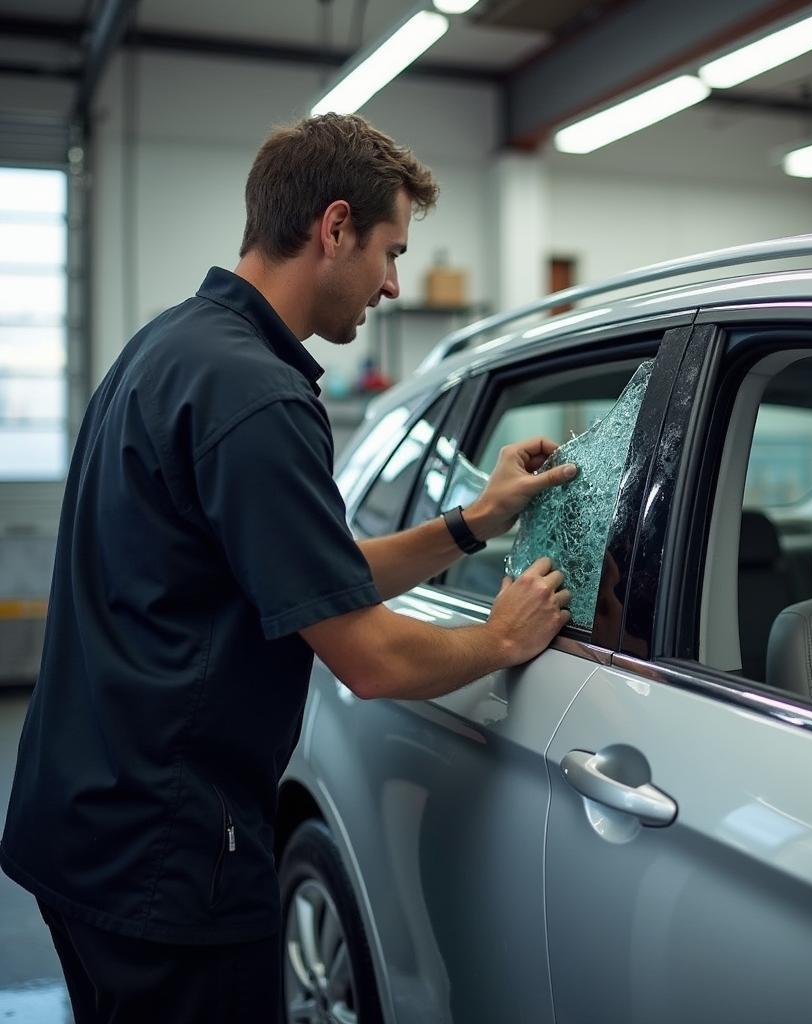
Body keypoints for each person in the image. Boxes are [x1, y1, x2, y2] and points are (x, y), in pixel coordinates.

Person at [0, 113, 575, 1023]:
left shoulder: (171, 349)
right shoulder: (258, 395)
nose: (392, 284)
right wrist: (500, 638)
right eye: (390, 251)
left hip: (79, 827)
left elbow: (315, 571)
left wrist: (473, 523)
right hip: (167, 857)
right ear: (333, 227)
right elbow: (370, 657)